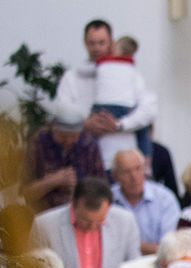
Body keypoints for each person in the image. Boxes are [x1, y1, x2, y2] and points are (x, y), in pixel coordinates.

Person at [52, 19, 157, 166]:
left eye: (101, 42)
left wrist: (119, 124)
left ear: (111, 42)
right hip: (87, 159)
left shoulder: (128, 73)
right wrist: (85, 124)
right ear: (85, 43)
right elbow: (60, 113)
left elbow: (149, 110)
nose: (96, 48)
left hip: (122, 160)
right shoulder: (73, 77)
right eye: (92, 43)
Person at [31, 175, 141, 268]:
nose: (92, 227)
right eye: (85, 221)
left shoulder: (125, 221)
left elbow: (134, 266)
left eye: (100, 221)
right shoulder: (44, 225)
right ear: (73, 204)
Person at [28, 101, 106, 210]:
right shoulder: (38, 143)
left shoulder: (89, 144)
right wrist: (52, 182)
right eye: (63, 136)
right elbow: (25, 194)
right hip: (45, 212)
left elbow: (102, 189)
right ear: (53, 129)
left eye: (74, 136)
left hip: (82, 213)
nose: (68, 141)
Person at [109, 147, 177, 254]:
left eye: (138, 168)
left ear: (145, 169)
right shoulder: (107, 200)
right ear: (115, 176)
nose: (134, 176)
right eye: (126, 172)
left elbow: (168, 248)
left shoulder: (165, 198)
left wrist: (129, 245)